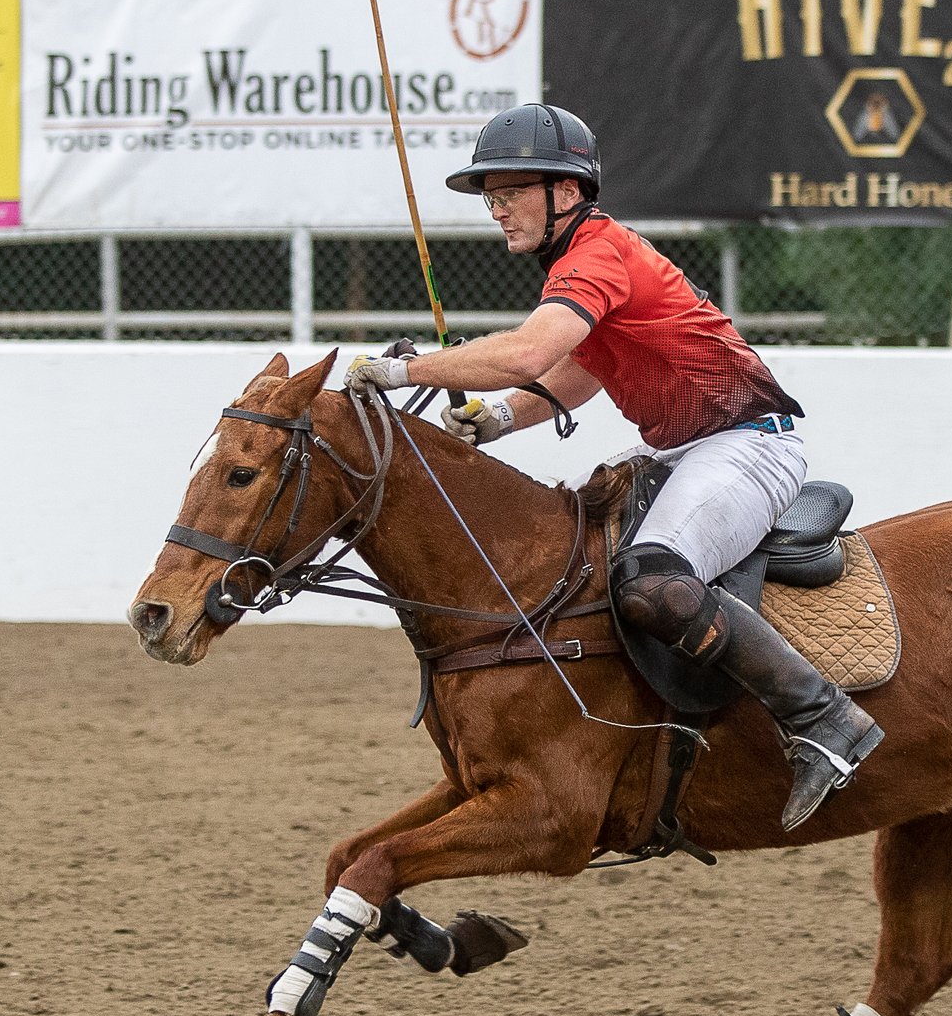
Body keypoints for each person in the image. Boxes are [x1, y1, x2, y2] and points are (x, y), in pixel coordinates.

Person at [343, 103, 883, 829]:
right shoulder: (579, 261)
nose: (497, 211)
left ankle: (826, 718)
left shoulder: (597, 254)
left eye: (509, 194)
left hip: (748, 440)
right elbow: (579, 371)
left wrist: (402, 370)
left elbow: (530, 353)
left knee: (653, 580)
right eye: (491, 198)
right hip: (681, 446)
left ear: (566, 192)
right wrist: (499, 417)